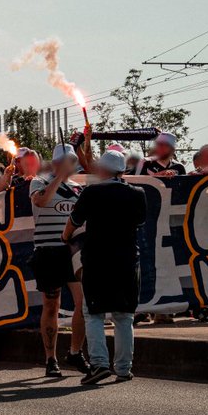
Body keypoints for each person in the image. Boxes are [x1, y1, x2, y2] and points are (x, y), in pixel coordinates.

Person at [63, 150, 147, 385]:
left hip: (97, 259)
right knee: (124, 316)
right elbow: (140, 221)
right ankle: (123, 367)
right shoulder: (137, 193)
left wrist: (66, 235)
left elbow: (75, 220)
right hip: (128, 259)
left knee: (94, 314)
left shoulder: (92, 192)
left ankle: (99, 364)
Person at [30, 144, 88, 377]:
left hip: (72, 251)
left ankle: (76, 351)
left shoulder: (79, 189)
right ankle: (50, 358)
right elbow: (41, 202)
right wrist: (59, 178)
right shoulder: (39, 182)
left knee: (82, 302)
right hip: (48, 250)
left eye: (73, 162)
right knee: (51, 303)